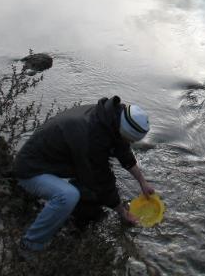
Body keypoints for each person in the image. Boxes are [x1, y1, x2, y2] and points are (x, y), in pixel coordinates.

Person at [12, 95, 154, 253]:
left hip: (58, 163)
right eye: (130, 140)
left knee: (92, 196)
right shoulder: (90, 137)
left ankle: (74, 222)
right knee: (68, 196)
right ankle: (29, 245)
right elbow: (101, 179)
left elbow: (123, 150)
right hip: (30, 170)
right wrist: (123, 212)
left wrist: (142, 181)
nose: (131, 144)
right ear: (123, 131)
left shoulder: (110, 118)